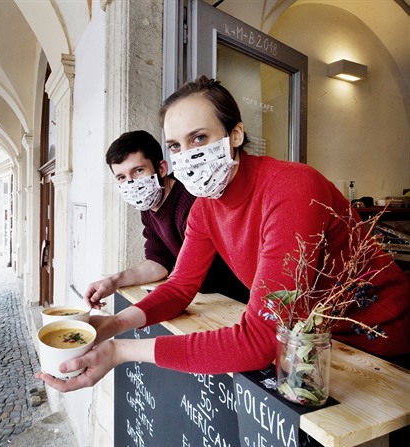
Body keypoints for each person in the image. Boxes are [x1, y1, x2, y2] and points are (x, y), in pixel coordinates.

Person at [36, 76, 410, 392]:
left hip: (385, 350)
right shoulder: (205, 208)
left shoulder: (292, 188)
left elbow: (259, 341)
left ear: (235, 134)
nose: (187, 155)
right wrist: (113, 324)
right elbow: (181, 286)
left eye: (199, 138)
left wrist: (120, 352)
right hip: (316, 349)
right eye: (175, 145)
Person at [84, 130, 248, 309]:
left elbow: (201, 272)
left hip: (237, 299)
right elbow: (159, 262)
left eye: (138, 171)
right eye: (122, 178)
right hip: (208, 301)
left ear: (162, 168)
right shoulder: (149, 205)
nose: (131, 184)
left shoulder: (192, 200)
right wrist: (114, 281)